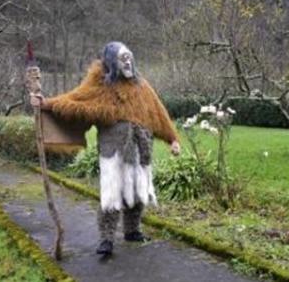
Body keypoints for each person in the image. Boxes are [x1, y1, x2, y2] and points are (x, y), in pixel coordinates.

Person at [31, 41, 181, 256]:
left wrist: (172, 139)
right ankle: (107, 239)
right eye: (122, 58)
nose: (128, 61)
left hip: (141, 149)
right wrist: (45, 104)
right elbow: (74, 101)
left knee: (138, 191)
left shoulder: (142, 86)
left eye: (129, 56)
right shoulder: (100, 84)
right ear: (111, 61)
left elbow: (158, 112)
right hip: (113, 151)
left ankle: (132, 230)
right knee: (111, 194)